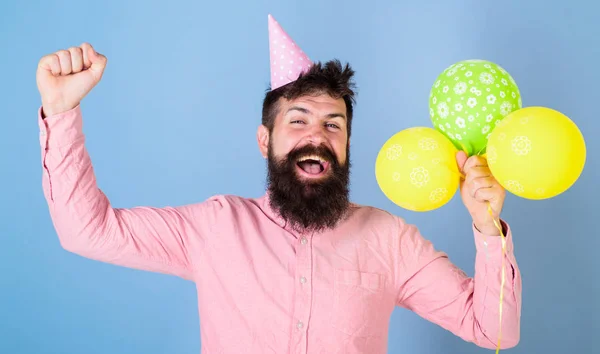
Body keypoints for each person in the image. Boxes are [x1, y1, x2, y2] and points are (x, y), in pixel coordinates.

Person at [36, 14, 521, 354]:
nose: (318, 135)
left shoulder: (389, 238)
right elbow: (86, 231)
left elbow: (493, 329)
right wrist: (60, 112)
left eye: (334, 124)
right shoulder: (216, 227)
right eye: (299, 120)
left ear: (348, 145)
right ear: (265, 139)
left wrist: (486, 227)